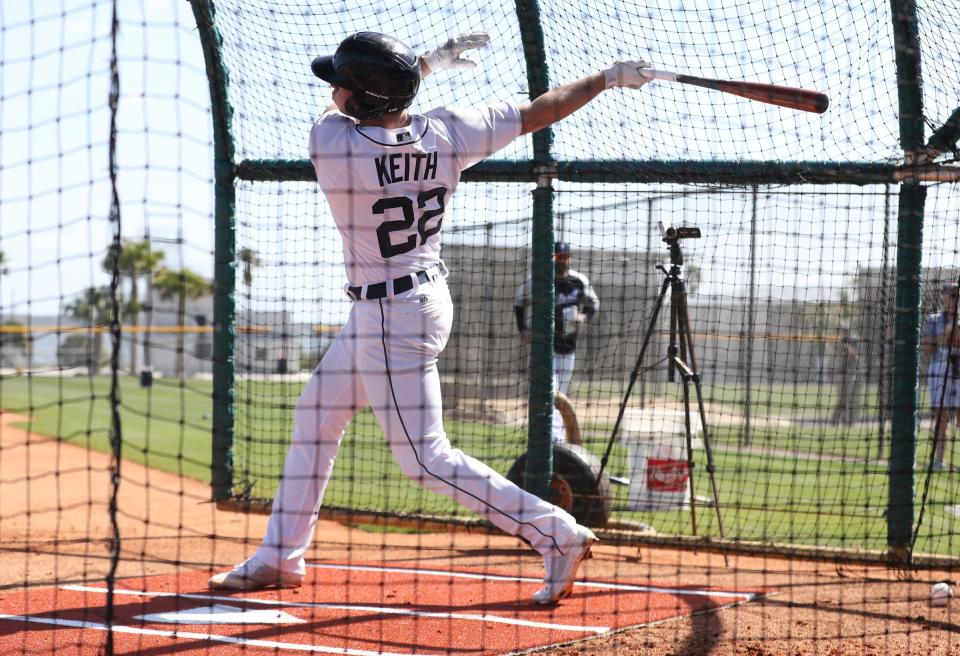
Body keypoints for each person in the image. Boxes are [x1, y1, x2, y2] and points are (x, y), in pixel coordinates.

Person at [207, 30, 653, 605]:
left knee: (425, 459)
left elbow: (344, 106)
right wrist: (608, 79)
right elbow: (544, 108)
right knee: (316, 416)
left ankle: (556, 533)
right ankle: (279, 556)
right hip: (415, 300)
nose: (335, 90)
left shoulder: (333, 142)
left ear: (361, 99)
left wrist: (425, 65)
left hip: (391, 315)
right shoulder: (447, 130)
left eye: (343, 83)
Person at [513, 241, 599, 442]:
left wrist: (583, 317)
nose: (561, 260)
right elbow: (518, 301)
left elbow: (593, 303)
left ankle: (556, 438)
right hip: (544, 348)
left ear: (569, 258)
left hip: (568, 348)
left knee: (562, 395)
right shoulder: (539, 280)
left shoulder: (579, 281)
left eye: (564, 256)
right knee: (549, 391)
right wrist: (522, 329)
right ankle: (549, 437)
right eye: (557, 257)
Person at [922, 281, 960, 471]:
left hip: (959, 371)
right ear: (944, 297)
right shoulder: (934, 319)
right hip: (939, 371)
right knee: (942, 418)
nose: (953, 298)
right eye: (950, 294)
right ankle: (939, 460)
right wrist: (943, 336)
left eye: (956, 295)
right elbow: (928, 348)